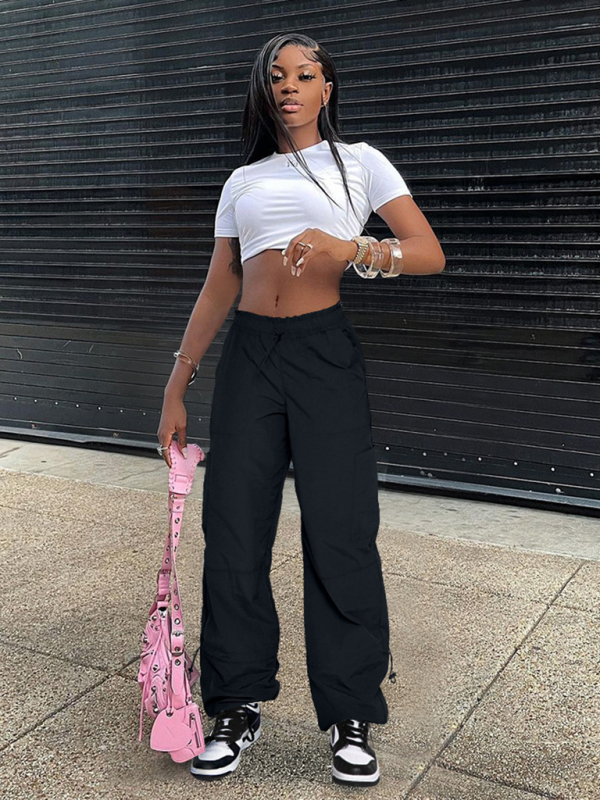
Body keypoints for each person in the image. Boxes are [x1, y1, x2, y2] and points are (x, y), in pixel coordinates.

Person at [157, 33, 445, 787]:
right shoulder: (243, 180)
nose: (289, 85)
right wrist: (176, 384)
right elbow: (220, 282)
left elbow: (428, 251)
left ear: (326, 88)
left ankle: (350, 713)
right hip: (250, 358)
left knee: (342, 531)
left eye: (304, 74)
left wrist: (353, 247)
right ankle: (236, 704)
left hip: (324, 355)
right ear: (265, 90)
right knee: (233, 530)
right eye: (277, 76)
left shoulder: (360, 163)